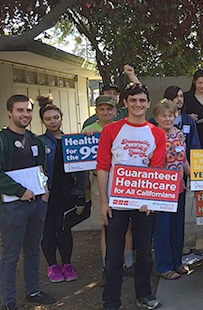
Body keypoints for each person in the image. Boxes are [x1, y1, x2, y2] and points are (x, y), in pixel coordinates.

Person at [97, 83, 165, 310]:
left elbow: (156, 169)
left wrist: (152, 200)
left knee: (144, 253)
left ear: (147, 103)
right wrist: (104, 202)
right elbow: (103, 167)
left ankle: (144, 295)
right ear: (125, 103)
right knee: (114, 255)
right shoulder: (111, 130)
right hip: (116, 203)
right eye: (133, 100)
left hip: (144, 204)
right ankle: (111, 301)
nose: (138, 104)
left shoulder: (157, 134)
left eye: (142, 101)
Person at [0, 95, 56, 310]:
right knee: (10, 255)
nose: (25, 114)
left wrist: (45, 191)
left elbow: (41, 169)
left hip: (37, 204)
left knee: (33, 250)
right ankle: (9, 302)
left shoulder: (36, 140)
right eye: (20, 110)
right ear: (10, 112)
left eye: (28, 110)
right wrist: (20, 191)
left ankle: (32, 291)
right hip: (13, 206)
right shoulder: (3, 140)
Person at [38, 104, 87, 283]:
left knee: (65, 229)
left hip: (67, 194)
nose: (53, 121)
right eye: (48, 118)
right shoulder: (39, 142)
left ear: (61, 117)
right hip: (47, 195)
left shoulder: (72, 141)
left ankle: (67, 263)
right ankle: (52, 265)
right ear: (43, 121)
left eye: (56, 117)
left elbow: (81, 172)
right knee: (48, 230)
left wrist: (80, 196)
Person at [82, 96, 121, 285]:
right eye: (102, 109)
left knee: (125, 225)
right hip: (99, 181)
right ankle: (107, 267)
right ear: (96, 111)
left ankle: (126, 262)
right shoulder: (89, 131)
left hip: (123, 181)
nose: (106, 112)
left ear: (115, 111)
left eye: (109, 109)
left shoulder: (122, 127)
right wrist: (85, 136)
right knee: (105, 225)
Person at [151, 99, 190, 281]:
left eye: (170, 115)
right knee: (162, 228)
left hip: (179, 187)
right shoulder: (152, 134)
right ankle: (164, 266)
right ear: (156, 117)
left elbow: (183, 160)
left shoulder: (180, 134)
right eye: (163, 115)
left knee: (177, 227)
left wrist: (196, 178)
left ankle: (177, 261)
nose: (167, 119)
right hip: (160, 189)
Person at [81, 65, 139, 129]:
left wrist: (132, 76)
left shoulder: (125, 114)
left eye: (115, 94)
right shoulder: (90, 122)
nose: (112, 96)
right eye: (108, 93)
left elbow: (141, 96)